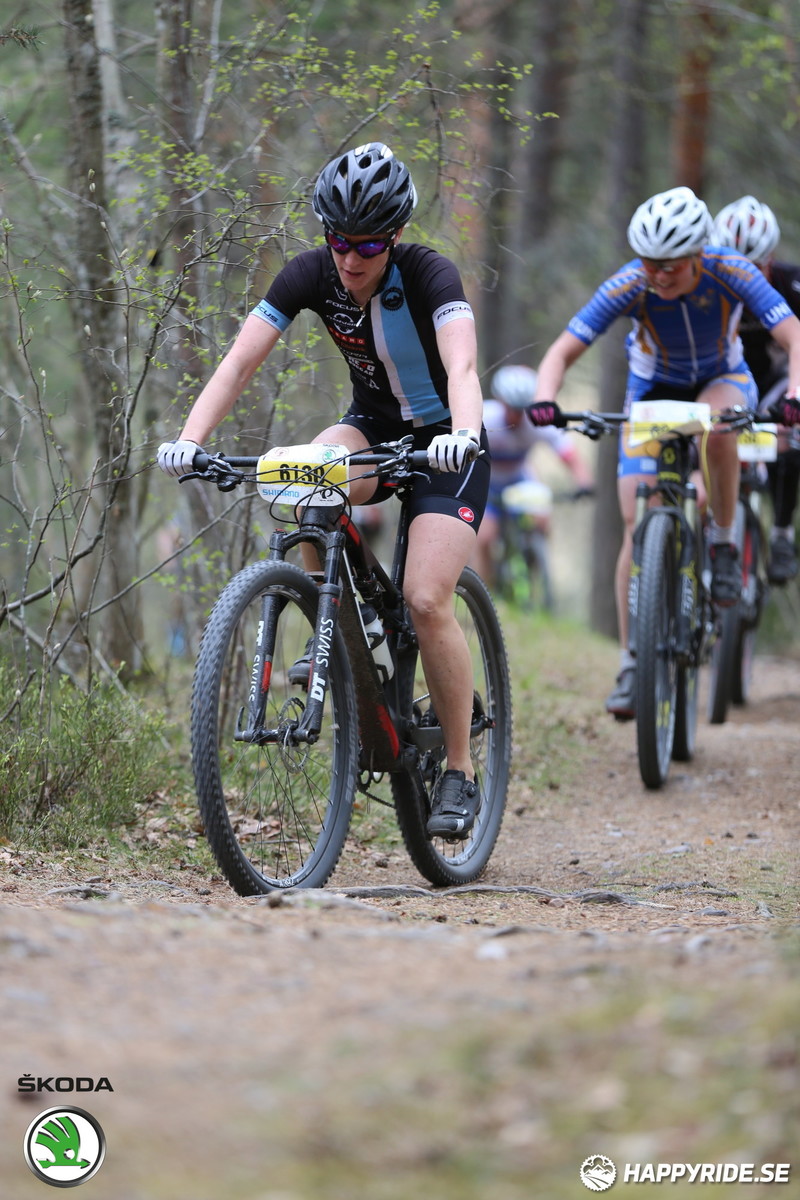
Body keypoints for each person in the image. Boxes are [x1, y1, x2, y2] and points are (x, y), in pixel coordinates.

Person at [157, 141, 491, 840]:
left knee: (427, 600)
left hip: (445, 443)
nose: (351, 258)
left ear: (395, 235)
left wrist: (463, 432)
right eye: (339, 241)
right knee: (308, 476)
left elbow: (462, 368)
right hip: (373, 428)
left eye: (368, 244)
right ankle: (339, 621)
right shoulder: (309, 274)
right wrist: (190, 439)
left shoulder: (430, 273)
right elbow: (239, 361)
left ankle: (460, 771)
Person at [527, 186, 800, 719]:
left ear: (698, 254)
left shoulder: (731, 270)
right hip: (652, 388)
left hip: (721, 377)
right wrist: (544, 397)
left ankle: (722, 542)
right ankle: (633, 663)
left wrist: (794, 393)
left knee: (721, 428)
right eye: (650, 262)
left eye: (670, 265)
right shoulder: (632, 281)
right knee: (636, 524)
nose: (657, 275)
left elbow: (793, 335)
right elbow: (562, 350)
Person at [712, 195, 800, 584]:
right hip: (727, 382)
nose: (742, 279)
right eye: (731, 267)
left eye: (754, 268)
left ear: (771, 259)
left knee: (787, 437)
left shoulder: (791, 284)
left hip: (778, 380)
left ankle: (781, 533)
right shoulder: (706, 286)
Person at [472, 364, 592, 587]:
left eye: (522, 409)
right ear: (500, 402)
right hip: (486, 482)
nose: (517, 416)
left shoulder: (538, 423)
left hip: (519, 478)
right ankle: (485, 589)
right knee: (485, 537)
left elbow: (568, 453)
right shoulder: (484, 418)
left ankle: (536, 572)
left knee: (541, 520)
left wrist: (583, 482)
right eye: (511, 408)